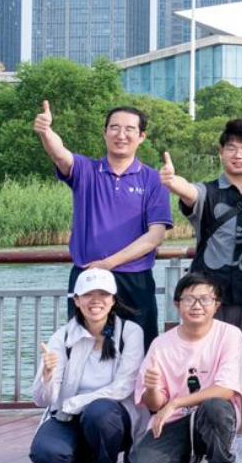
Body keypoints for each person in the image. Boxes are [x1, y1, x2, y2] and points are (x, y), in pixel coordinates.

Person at [160, 118, 242, 463]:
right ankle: (205, 447)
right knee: (202, 369)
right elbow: (188, 192)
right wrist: (172, 181)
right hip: (207, 300)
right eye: (231, 148)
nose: (238, 155)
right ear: (221, 152)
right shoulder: (208, 192)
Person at [34, 99, 173, 338]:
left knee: (140, 346)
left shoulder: (153, 179)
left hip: (134, 278)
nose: (121, 135)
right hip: (88, 275)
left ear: (141, 136)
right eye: (114, 127)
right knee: (85, 346)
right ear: (105, 133)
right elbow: (60, 155)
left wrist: (109, 263)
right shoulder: (86, 170)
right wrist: (46, 131)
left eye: (130, 129)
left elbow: (155, 235)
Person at [30, 267, 144, 463]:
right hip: (68, 417)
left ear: (113, 299)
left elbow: (123, 387)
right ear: (77, 300)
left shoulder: (129, 332)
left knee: (99, 411)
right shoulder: (62, 337)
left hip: (112, 418)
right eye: (88, 294)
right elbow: (42, 400)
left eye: (103, 294)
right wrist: (47, 376)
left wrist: (76, 403)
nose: (96, 301)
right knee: (45, 453)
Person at [131, 272, 241, 463]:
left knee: (215, 405)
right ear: (177, 304)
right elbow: (155, 404)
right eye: (189, 299)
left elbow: (225, 389)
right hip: (175, 421)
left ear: (216, 305)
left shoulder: (229, 335)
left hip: (213, 415)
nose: (197, 305)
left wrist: (176, 402)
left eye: (205, 299)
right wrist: (151, 388)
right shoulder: (161, 344)